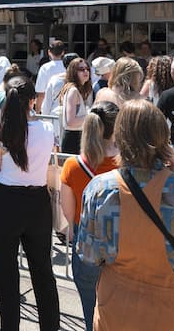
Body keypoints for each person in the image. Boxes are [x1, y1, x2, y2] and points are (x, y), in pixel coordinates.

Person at [77, 100, 174, 330]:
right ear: (163, 137)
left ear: (118, 138)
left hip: (117, 311)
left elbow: (89, 254)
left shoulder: (98, 189)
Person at [0, 76, 60, 331]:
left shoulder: (0, 133)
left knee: (5, 277)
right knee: (43, 272)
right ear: (31, 101)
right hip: (38, 202)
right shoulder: (48, 130)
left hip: (5, 202)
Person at [60, 102, 119, 331]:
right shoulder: (127, 164)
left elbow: (67, 210)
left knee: (90, 315)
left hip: (85, 246)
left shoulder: (72, 165)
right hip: (122, 248)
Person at [57, 56, 94, 154]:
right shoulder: (73, 91)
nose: (85, 71)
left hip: (77, 137)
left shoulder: (76, 90)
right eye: (81, 69)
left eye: (87, 69)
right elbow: (70, 122)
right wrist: (90, 117)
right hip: (73, 139)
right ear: (74, 72)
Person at [34, 40, 66, 112]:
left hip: (48, 110)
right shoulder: (67, 67)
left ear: (49, 52)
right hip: (66, 108)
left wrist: (37, 113)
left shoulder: (45, 68)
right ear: (63, 52)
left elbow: (41, 93)